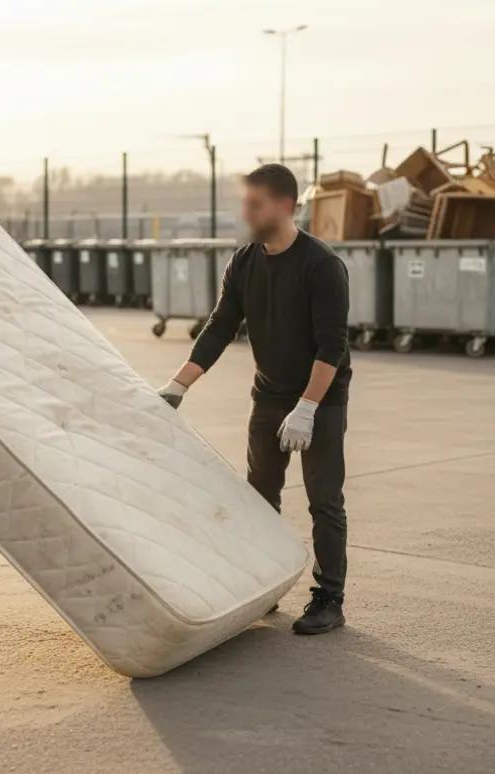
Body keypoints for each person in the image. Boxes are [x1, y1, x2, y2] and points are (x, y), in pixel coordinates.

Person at [157, 163, 352, 635]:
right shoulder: (244, 261)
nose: (246, 211)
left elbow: (332, 346)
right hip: (268, 396)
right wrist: (178, 386)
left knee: (323, 501)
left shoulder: (321, 266)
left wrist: (306, 409)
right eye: (246, 202)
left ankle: (329, 598)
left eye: (255, 203)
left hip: (319, 400)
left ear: (285, 206)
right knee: (260, 497)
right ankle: (265, 583)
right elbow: (221, 326)